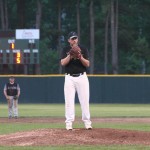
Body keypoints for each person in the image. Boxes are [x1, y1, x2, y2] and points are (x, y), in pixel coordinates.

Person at [60, 31, 92, 130]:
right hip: (69, 78)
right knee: (69, 101)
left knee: (85, 101)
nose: (74, 40)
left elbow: (87, 64)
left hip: (82, 77)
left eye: (75, 38)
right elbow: (63, 63)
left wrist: (80, 56)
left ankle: (87, 123)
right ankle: (69, 123)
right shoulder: (65, 49)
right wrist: (70, 54)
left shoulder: (83, 49)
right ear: (69, 40)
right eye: (72, 38)